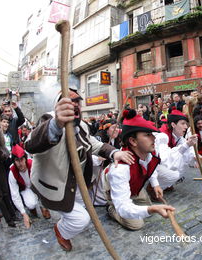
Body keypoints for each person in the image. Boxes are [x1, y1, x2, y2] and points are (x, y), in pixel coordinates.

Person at [25, 89, 134, 251]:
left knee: (83, 206)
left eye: (77, 101)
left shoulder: (82, 125)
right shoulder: (48, 122)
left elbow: (94, 144)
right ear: (59, 106)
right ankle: (61, 231)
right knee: (81, 219)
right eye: (69, 101)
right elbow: (30, 144)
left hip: (77, 183)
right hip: (55, 185)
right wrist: (56, 124)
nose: (74, 104)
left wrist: (114, 152)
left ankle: (69, 222)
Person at [105, 109, 175, 230]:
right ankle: (111, 207)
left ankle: (133, 198)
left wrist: (156, 185)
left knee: (146, 208)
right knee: (137, 223)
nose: (154, 138)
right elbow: (123, 207)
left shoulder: (150, 151)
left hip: (134, 187)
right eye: (148, 135)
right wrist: (151, 209)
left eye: (152, 134)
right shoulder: (121, 168)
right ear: (133, 141)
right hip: (112, 187)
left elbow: (150, 167)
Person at [152, 110, 202, 191]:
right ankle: (153, 187)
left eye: (186, 124)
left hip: (159, 164)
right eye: (183, 123)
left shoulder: (178, 137)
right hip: (152, 165)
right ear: (173, 124)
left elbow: (188, 149)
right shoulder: (162, 136)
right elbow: (165, 159)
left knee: (182, 161)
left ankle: (165, 183)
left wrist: (196, 156)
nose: (186, 127)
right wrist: (186, 145)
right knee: (174, 173)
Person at [8, 145, 51, 228]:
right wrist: (23, 213)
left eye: (22, 159)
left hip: (36, 185)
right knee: (31, 204)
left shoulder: (33, 164)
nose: (20, 163)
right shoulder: (12, 172)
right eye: (17, 160)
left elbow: (44, 179)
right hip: (25, 188)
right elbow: (14, 195)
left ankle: (44, 207)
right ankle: (32, 208)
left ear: (25, 158)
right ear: (14, 161)